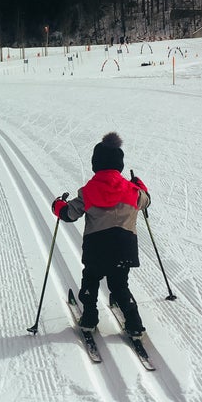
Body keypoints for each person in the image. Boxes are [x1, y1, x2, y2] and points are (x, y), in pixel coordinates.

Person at [52, 132, 151, 338]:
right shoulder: (132, 191)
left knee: (91, 280)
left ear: (95, 164)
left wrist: (58, 205)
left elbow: (69, 214)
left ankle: (89, 319)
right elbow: (146, 200)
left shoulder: (88, 191)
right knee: (119, 285)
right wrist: (140, 185)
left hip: (97, 249)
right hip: (124, 248)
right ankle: (134, 323)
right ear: (120, 165)